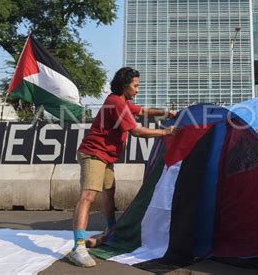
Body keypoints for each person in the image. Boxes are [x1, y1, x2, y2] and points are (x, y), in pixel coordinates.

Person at [66, 67, 178, 267]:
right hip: (94, 154)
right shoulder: (116, 103)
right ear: (124, 85)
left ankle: (110, 232)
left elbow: (142, 111)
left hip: (107, 156)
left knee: (109, 193)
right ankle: (79, 247)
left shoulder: (123, 102)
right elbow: (136, 131)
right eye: (135, 86)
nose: (137, 89)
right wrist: (165, 132)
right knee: (88, 196)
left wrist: (165, 112)